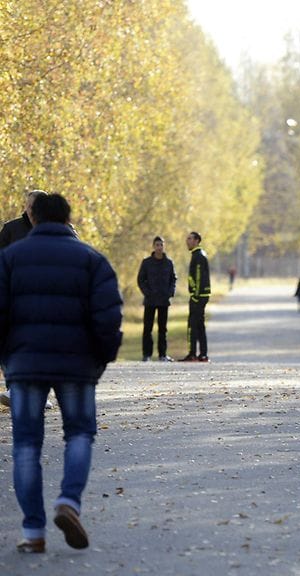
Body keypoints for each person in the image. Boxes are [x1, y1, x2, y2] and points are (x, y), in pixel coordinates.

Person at [0, 193, 123, 553]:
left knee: (26, 445)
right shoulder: (92, 260)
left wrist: (8, 359)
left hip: (25, 366)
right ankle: (68, 501)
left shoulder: (9, 259)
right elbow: (109, 316)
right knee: (80, 434)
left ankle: (33, 532)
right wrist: (100, 360)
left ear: (33, 218)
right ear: (68, 218)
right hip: (77, 366)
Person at [0, 190, 47, 408]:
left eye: (34, 206)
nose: (30, 210)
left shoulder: (60, 229)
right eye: (28, 205)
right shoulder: (11, 229)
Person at [136, 236, 176, 362]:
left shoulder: (169, 263)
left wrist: (170, 293)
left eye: (161, 245)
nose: (159, 247)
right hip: (150, 300)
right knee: (147, 328)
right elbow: (140, 279)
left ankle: (162, 355)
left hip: (164, 300)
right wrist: (147, 292)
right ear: (153, 246)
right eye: (157, 245)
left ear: (164, 246)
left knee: (163, 329)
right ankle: (146, 355)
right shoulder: (147, 262)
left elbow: (173, 279)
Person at [180, 231, 210, 362]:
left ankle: (192, 354)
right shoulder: (198, 254)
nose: (187, 241)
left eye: (190, 239)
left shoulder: (198, 255)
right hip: (202, 295)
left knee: (192, 325)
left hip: (198, 296)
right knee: (200, 324)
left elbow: (198, 277)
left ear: (197, 240)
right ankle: (203, 354)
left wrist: (195, 295)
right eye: (187, 239)